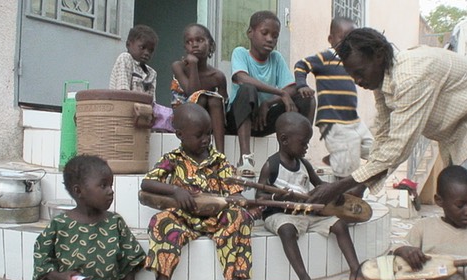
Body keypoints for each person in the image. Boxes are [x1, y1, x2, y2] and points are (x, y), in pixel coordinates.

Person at [308, 27, 467, 224]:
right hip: (458, 131)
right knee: (461, 207)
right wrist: (360, 186)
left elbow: (398, 147)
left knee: (465, 206)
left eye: (360, 72)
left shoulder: (410, 77)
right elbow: (383, 135)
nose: (357, 80)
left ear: (379, 56)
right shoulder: (383, 81)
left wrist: (340, 185)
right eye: (352, 74)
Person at [141, 103, 262, 280]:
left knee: (239, 216)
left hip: (215, 218)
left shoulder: (219, 160)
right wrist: (175, 191)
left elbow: (234, 191)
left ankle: (233, 279)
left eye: (208, 133)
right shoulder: (173, 159)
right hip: (184, 218)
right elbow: (147, 183)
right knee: (160, 221)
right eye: (199, 135)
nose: (206, 139)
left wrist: (246, 206)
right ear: (180, 135)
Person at [27, 155, 146, 280]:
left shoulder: (114, 222)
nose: (110, 191)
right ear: (79, 191)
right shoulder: (60, 224)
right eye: (103, 185)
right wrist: (60, 277)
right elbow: (42, 258)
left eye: (111, 186)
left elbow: (130, 258)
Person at [256, 112, 363, 280]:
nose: (307, 147)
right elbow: (259, 196)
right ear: (284, 139)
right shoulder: (271, 165)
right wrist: (279, 198)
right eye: (303, 143)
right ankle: (304, 278)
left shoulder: (304, 163)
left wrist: (335, 191)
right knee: (287, 230)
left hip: (307, 213)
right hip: (280, 214)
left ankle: (356, 269)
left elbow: (319, 185)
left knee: (339, 224)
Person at [227, 10, 315, 177]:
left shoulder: (276, 58)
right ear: (250, 33)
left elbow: (291, 87)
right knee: (248, 89)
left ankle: (299, 153)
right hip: (238, 119)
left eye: (275, 36)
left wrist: (268, 103)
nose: (270, 39)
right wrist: (279, 93)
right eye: (264, 33)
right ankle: (245, 158)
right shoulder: (240, 53)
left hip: (262, 120)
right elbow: (242, 78)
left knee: (306, 98)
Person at [293, 17, 373, 179]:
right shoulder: (324, 58)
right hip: (333, 121)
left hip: (353, 121)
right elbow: (301, 65)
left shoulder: (352, 62)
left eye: (352, 40)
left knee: (375, 149)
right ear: (331, 39)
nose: (348, 44)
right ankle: (340, 170)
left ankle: (337, 155)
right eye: (343, 38)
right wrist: (302, 85)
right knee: (346, 169)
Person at [171, 23, 227, 153]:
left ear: (210, 45)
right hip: (184, 117)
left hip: (208, 120)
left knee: (215, 100)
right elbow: (193, 93)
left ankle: (221, 155)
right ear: (185, 47)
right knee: (201, 98)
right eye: (189, 42)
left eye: (199, 40)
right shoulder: (178, 66)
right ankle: (200, 153)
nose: (194, 45)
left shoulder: (217, 76)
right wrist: (193, 65)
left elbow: (224, 106)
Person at [109, 24, 158, 100]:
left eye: (150, 50)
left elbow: (152, 101)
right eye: (142, 47)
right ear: (128, 44)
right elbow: (123, 92)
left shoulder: (151, 73)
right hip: (122, 107)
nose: (147, 53)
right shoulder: (125, 58)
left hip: (141, 110)